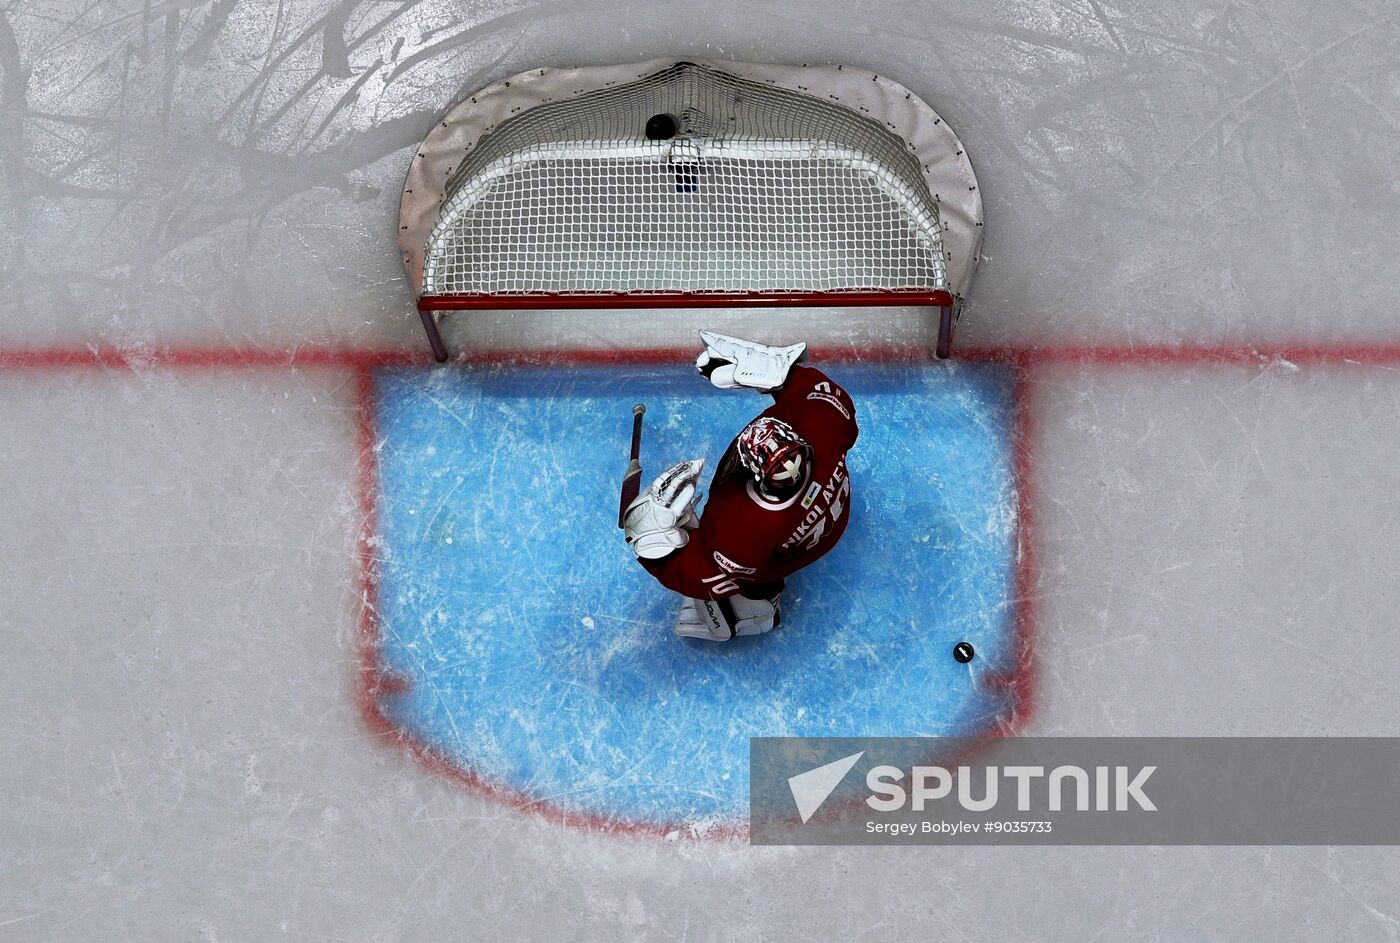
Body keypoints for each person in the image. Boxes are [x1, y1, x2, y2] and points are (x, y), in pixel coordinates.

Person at [623, 331, 859, 641]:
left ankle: (758, 606)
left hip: (776, 552)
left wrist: (649, 543)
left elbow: (707, 577)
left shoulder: (743, 528)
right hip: (831, 521)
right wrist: (782, 375)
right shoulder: (822, 423)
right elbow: (833, 405)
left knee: (752, 574)